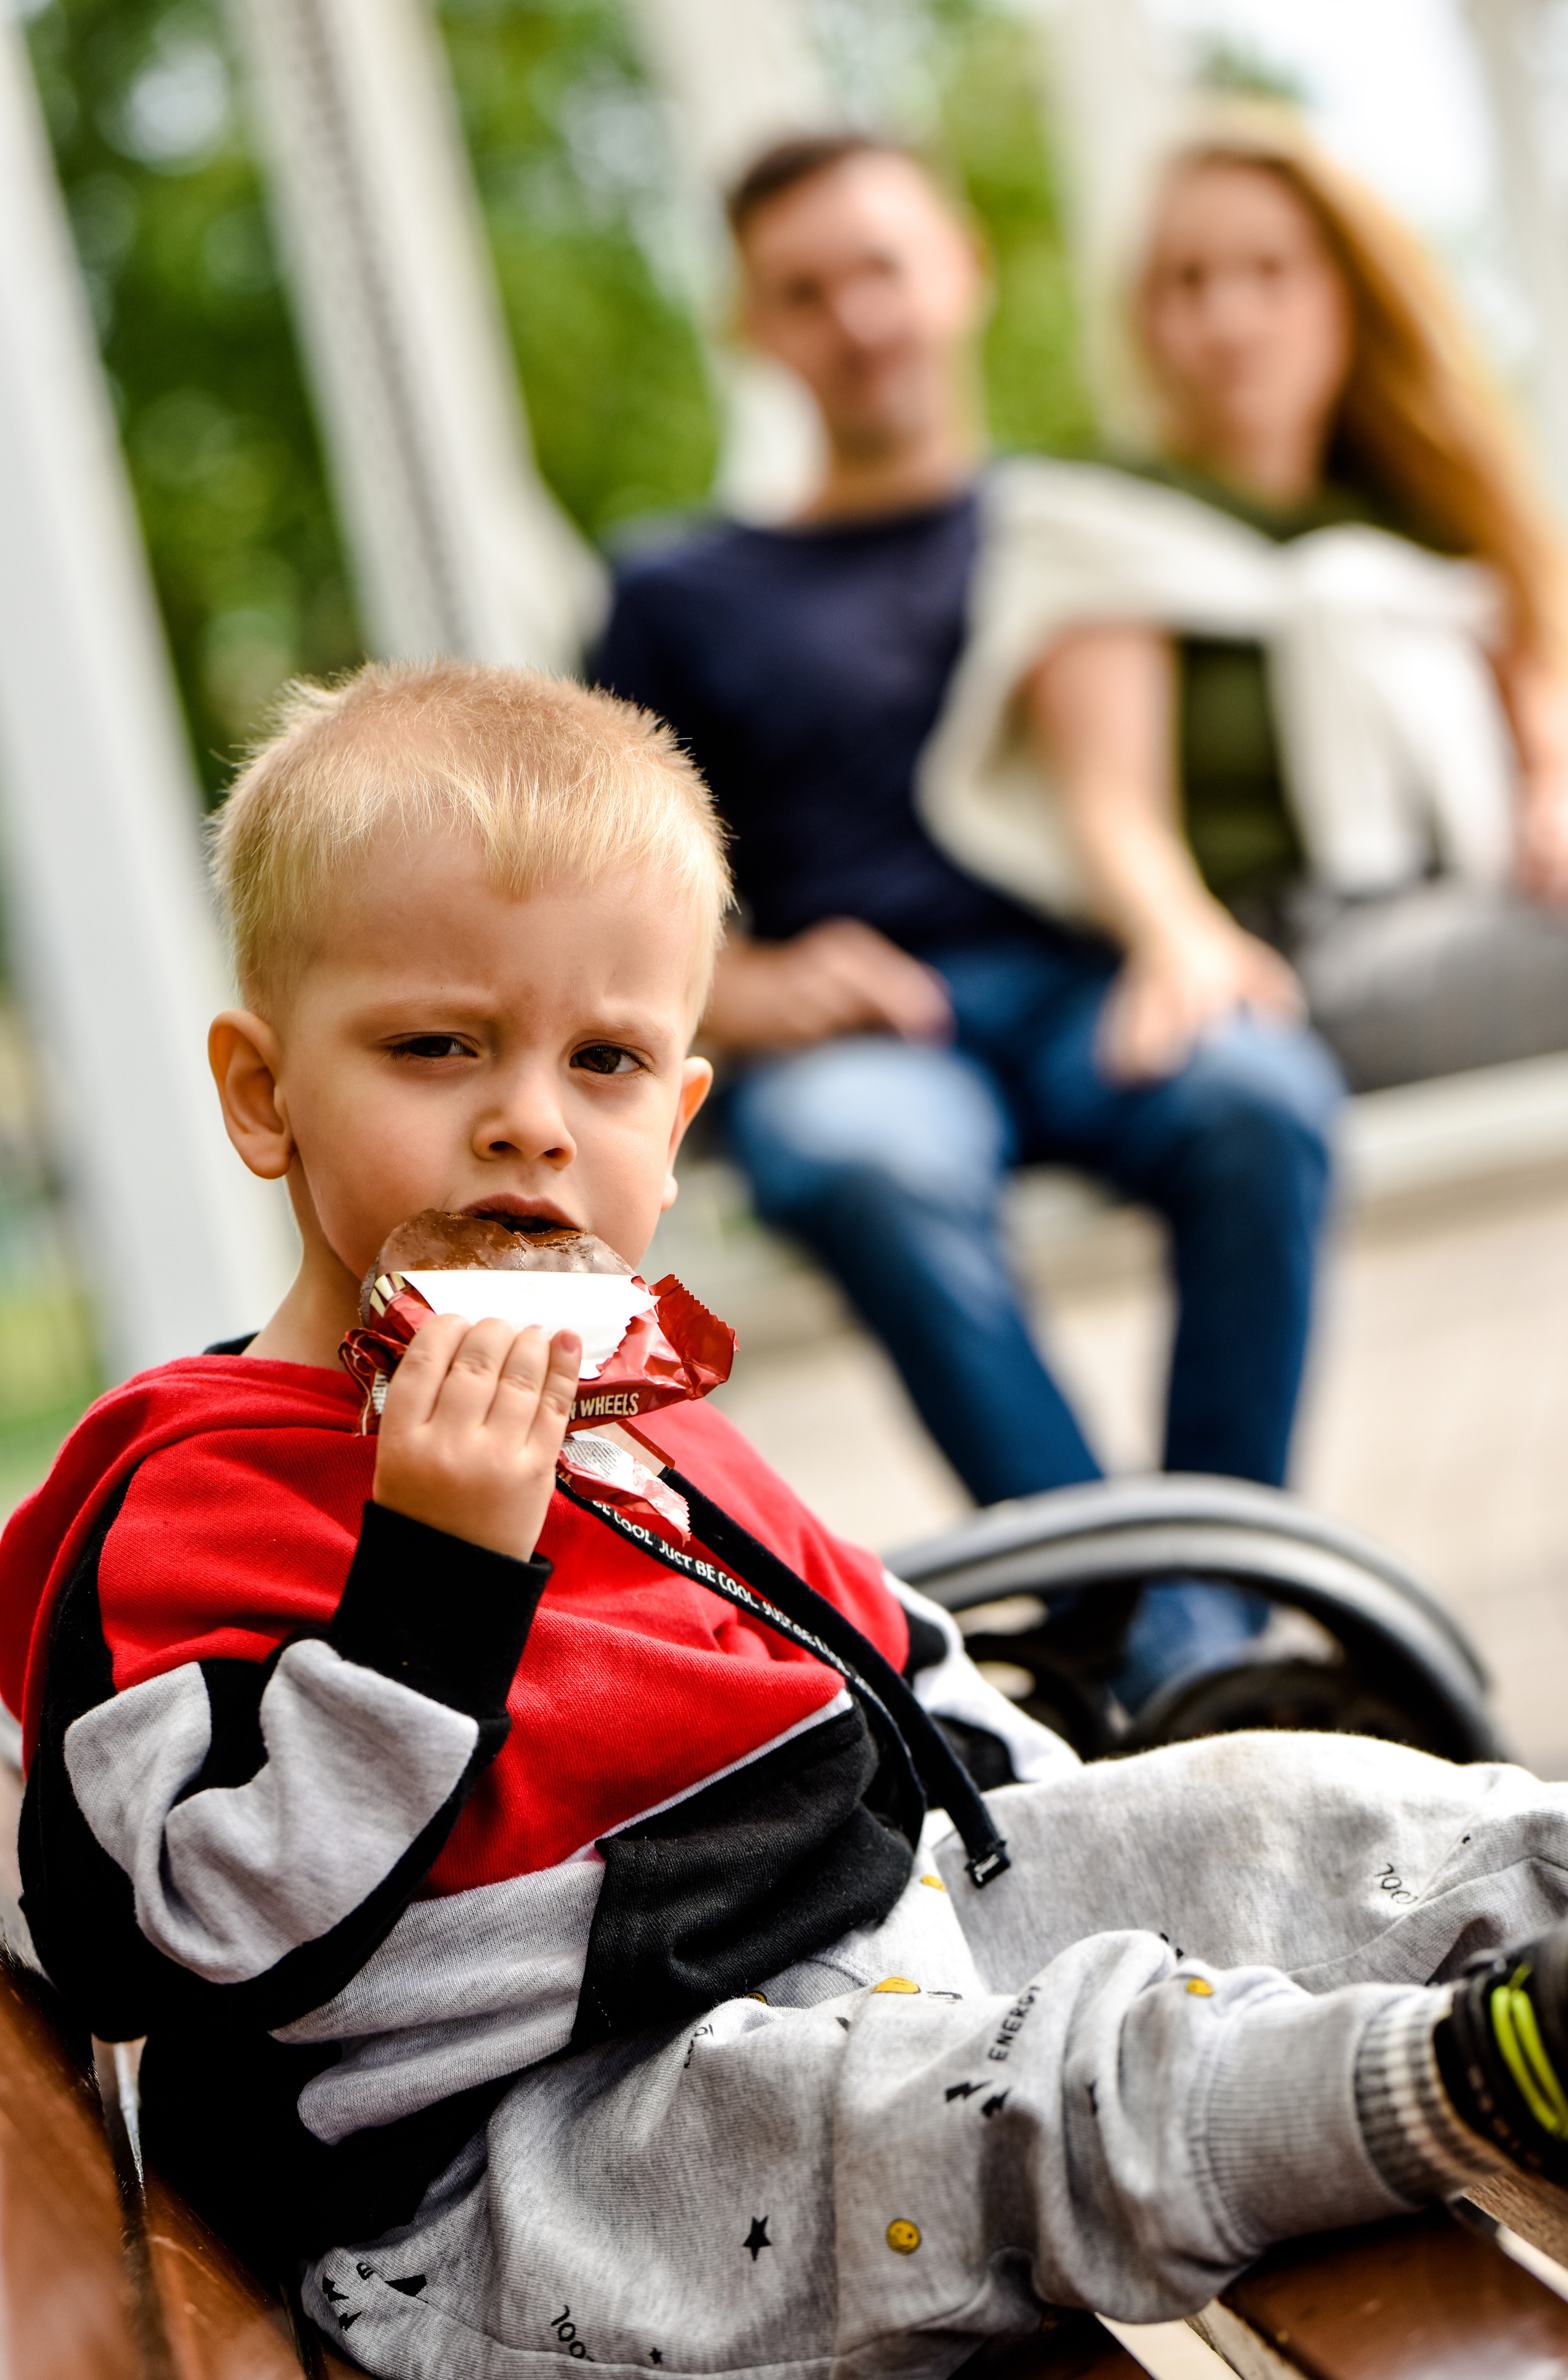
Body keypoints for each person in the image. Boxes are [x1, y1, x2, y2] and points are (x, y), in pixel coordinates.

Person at [12, 657, 1568, 2376]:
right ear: (263, 1092)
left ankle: (1550, 1909)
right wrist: (429, 1585)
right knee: (984, 2101)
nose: (528, 1119)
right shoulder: (196, 1483)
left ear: (675, 1123)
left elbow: (888, 1659)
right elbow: (163, 1938)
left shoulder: (641, 1413)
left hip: (869, 1928)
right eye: (433, 1044)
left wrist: (1086, 1833)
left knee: (1291, 1807)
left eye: (603, 1060)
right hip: (537, 2165)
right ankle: (1470, 2079)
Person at [596, 135, 1347, 1705]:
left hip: (1088, 994)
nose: (854, 317)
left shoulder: (1079, 533)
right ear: (753, 330)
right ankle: (1177, 1645)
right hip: (865, 1032)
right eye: (803, 292)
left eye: (880, 268)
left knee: (1260, 1091)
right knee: (869, 1159)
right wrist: (755, 985)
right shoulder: (678, 594)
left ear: (957, 273)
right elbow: (592, 898)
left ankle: (1177, 1636)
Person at [916, 111, 1568, 1095]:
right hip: (1293, 960)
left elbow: (1551, 715)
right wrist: (1181, 940)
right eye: (1186, 283)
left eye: (1271, 273)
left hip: (1489, 912)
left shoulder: (1433, 521)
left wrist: (1562, 798)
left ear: (1345, 295)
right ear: (1147, 316)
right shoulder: (1107, 521)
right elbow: (1111, 803)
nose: (1228, 319)